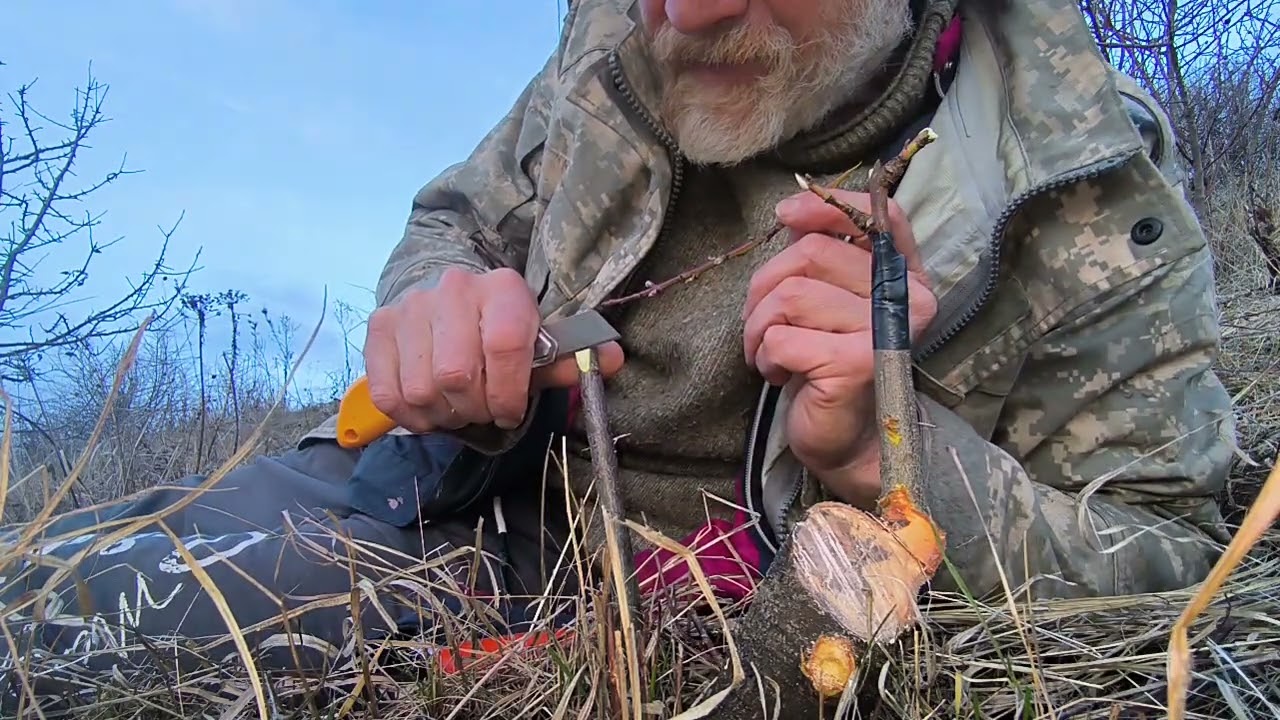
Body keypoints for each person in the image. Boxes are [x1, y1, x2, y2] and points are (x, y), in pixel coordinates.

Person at [1, 0, 1236, 705]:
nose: (679, 13)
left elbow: (1179, 567)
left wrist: (888, 450)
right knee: (61, 610)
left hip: (753, 625)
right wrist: (440, 303)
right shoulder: (607, 41)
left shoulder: (1075, 182)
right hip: (473, 499)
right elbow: (454, 218)